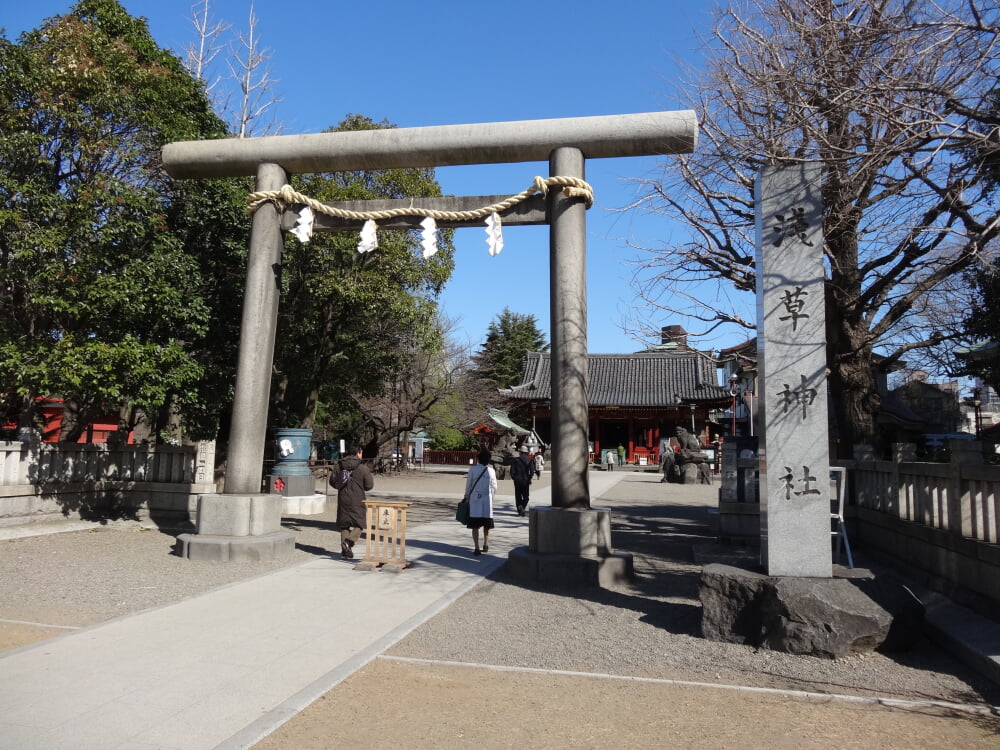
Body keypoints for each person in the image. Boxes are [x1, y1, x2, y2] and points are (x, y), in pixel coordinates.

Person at [329, 442, 374, 559]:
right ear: (358, 452)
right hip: (357, 499)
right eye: (361, 452)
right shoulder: (363, 468)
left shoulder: (339, 465)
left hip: (343, 498)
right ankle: (348, 542)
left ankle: (345, 550)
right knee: (360, 523)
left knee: (344, 525)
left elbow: (332, 481)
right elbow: (369, 486)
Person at [465, 449, 497, 555]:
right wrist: (492, 498)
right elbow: (494, 487)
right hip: (487, 500)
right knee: (486, 524)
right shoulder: (491, 471)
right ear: (488, 460)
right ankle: (486, 544)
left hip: (475, 500)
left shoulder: (473, 469)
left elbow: (469, 485)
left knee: (475, 525)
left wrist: (467, 496)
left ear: (478, 459)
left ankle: (476, 547)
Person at [509, 444, 534, 516]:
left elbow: (512, 471)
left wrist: (514, 477)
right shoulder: (529, 460)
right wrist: (529, 477)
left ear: (520, 452)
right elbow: (532, 471)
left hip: (517, 480)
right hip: (525, 480)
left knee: (518, 496)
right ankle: (522, 508)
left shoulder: (515, 460)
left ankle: (520, 509)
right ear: (526, 452)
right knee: (526, 497)